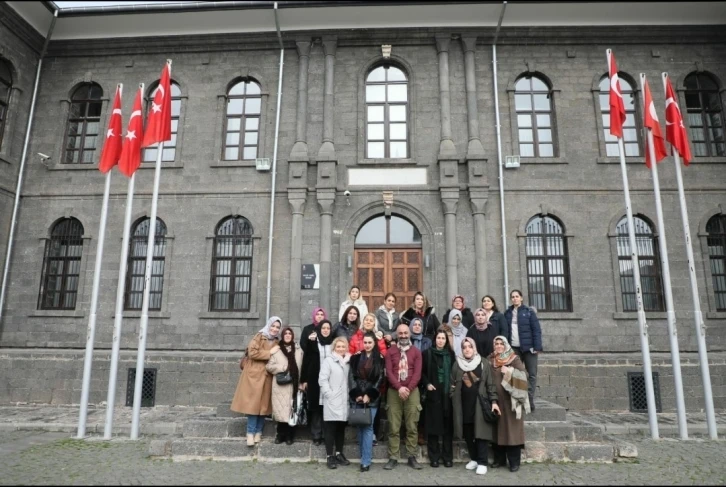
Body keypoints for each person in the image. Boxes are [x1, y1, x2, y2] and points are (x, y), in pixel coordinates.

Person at [451, 337, 500, 476]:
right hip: (463, 405)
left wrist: (494, 401)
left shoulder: (483, 363)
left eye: (469, 346)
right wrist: (452, 394)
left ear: (474, 348)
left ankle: (483, 462)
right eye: (464, 347)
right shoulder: (457, 364)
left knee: (480, 434)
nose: (467, 349)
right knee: (468, 433)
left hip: (479, 404)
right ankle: (474, 458)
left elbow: (490, 384)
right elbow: (452, 383)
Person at [230, 316, 281, 447]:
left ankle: (259, 431)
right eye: (273, 326)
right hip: (254, 375)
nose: (275, 329)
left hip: (267, 375)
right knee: (253, 405)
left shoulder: (277, 341)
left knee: (264, 406)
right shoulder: (260, 336)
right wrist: (269, 352)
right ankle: (250, 433)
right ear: (269, 325)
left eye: (277, 327)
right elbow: (252, 353)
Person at [383, 323, 423, 470]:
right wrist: (400, 388)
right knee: (394, 426)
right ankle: (393, 456)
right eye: (400, 333)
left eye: (406, 333)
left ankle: (411, 456)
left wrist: (408, 388)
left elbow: (418, 373)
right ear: (397, 335)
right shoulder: (390, 352)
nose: (404, 336)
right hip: (394, 392)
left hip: (412, 392)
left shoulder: (416, 352)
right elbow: (389, 372)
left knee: (412, 426)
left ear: (410, 334)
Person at [489, 335, 529, 472]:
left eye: (501, 343)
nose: (499, 346)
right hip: (496, 401)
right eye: (496, 343)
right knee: (498, 432)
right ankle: (499, 460)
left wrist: (510, 372)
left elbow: (525, 376)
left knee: (512, 432)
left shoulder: (514, 359)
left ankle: (514, 462)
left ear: (505, 345)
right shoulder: (491, 359)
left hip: (511, 401)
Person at [348, 332, 385, 472]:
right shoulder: (356, 357)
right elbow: (351, 376)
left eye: (370, 342)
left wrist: (369, 395)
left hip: (372, 396)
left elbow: (380, 378)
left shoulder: (380, 359)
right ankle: (363, 455)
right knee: (359, 425)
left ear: (374, 343)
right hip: (357, 394)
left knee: (368, 426)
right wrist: (357, 394)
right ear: (362, 343)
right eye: (366, 342)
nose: (367, 345)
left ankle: (366, 461)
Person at [421, 330, 455, 468]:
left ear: (446, 340)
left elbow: (455, 371)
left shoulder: (451, 355)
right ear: (435, 340)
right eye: (438, 338)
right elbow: (421, 372)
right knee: (433, 426)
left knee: (447, 428)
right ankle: (433, 456)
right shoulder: (427, 354)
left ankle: (447, 457)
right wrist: (427, 383)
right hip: (433, 393)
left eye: (443, 338)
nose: (440, 340)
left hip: (447, 395)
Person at [504, 289, 542, 411]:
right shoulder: (508, 313)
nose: (515, 298)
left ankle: (529, 398)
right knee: (516, 374)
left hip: (529, 348)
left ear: (521, 298)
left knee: (531, 374)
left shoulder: (529, 312)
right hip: (515, 349)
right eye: (513, 297)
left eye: (517, 296)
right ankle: (519, 398)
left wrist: (537, 347)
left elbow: (536, 330)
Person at [266, 327, 304, 445]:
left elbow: (302, 367)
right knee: (281, 411)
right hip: (280, 386)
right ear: (283, 335)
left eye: (289, 333)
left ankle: (290, 436)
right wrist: (282, 368)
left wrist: (302, 382)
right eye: (285, 333)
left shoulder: (298, 350)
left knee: (292, 411)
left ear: (292, 336)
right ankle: (280, 435)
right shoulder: (276, 350)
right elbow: (269, 366)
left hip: (294, 385)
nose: (288, 335)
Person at [300, 319, 334, 445]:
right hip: (315, 378)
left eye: (328, 328)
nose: (325, 330)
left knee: (327, 407)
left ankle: (326, 435)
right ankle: (316, 435)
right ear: (319, 329)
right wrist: (303, 380)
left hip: (330, 380)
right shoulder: (313, 342)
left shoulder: (333, 344)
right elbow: (306, 361)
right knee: (316, 408)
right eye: (323, 328)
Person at [319, 336, 351, 469]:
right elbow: (322, 379)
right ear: (334, 348)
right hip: (332, 399)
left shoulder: (348, 361)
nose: (341, 349)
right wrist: (329, 394)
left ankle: (339, 453)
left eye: (343, 347)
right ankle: (329, 456)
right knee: (330, 428)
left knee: (340, 428)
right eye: (338, 347)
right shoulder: (328, 361)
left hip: (344, 400)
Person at [410, 316, 432, 446]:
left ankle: (421, 433)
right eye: (415, 324)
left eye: (419, 324)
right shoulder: (407, 340)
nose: (417, 326)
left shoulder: (427, 341)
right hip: (409, 375)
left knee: (422, 407)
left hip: (423, 375)